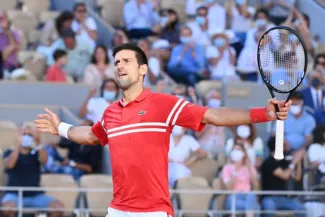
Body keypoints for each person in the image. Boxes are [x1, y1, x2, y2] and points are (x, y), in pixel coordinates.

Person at [34, 43, 291, 217]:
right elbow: (91, 135)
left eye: (126, 61)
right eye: (116, 62)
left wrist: (264, 113)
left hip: (154, 211)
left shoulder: (164, 104)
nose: (119, 66)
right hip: (117, 210)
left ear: (143, 69)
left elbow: (213, 115)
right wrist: (63, 128)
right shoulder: (110, 112)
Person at [1, 124, 63, 217]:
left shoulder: (36, 153)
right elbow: (10, 164)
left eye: (29, 135)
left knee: (58, 208)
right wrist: (18, 144)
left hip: (36, 195)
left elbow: (45, 161)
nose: (27, 137)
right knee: (6, 209)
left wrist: (38, 142)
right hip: (14, 195)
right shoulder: (9, 152)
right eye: (24, 134)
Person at [261, 136, 305, 217]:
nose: (287, 145)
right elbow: (285, 175)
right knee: (269, 210)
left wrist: (298, 161)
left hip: (283, 198)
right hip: (270, 197)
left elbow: (297, 177)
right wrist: (294, 162)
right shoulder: (268, 162)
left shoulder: (284, 162)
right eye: (284, 144)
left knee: (301, 208)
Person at [221, 143, 260, 217]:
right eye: (234, 150)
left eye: (238, 150)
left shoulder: (250, 167)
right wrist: (236, 170)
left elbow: (256, 185)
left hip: (248, 196)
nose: (236, 152)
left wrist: (249, 168)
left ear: (244, 153)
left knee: (251, 195)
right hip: (233, 198)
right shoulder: (227, 168)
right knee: (256, 208)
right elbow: (228, 187)